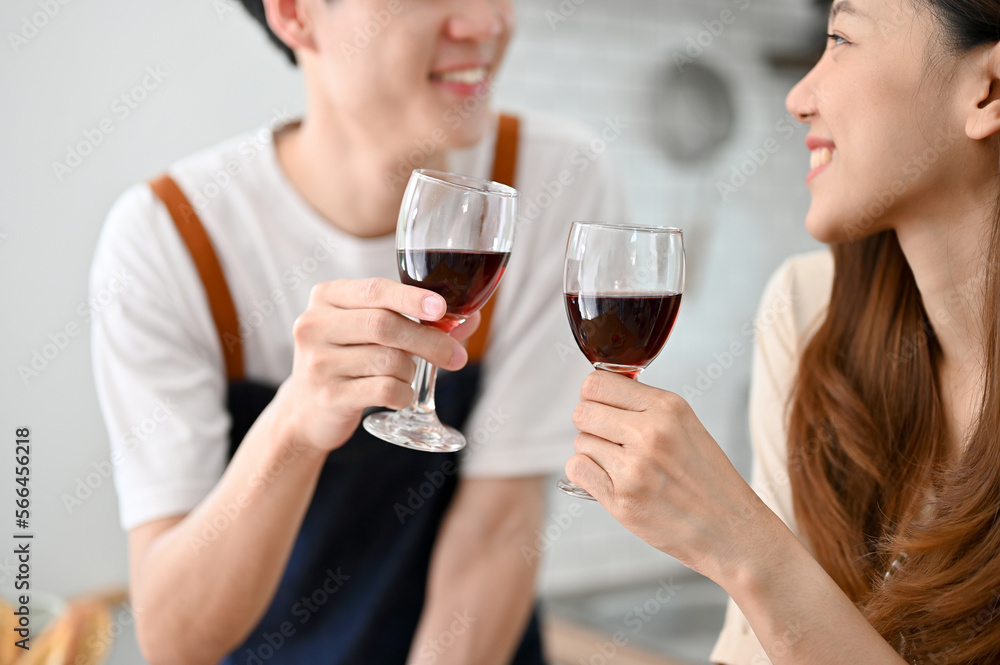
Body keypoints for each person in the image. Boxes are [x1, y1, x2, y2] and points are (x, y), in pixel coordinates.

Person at [89, 1, 627, 663]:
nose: (485, 23)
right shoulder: (170, 239)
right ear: (294, 14)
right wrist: (293, 424)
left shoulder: (549, 179)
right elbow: (176, 637)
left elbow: (497, 528)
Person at [564, 0, 1000, 663]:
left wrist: (739, 539)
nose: (798, 98)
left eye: (843, 39)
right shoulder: (807, 312)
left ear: (988, 90)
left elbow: (759, 573)